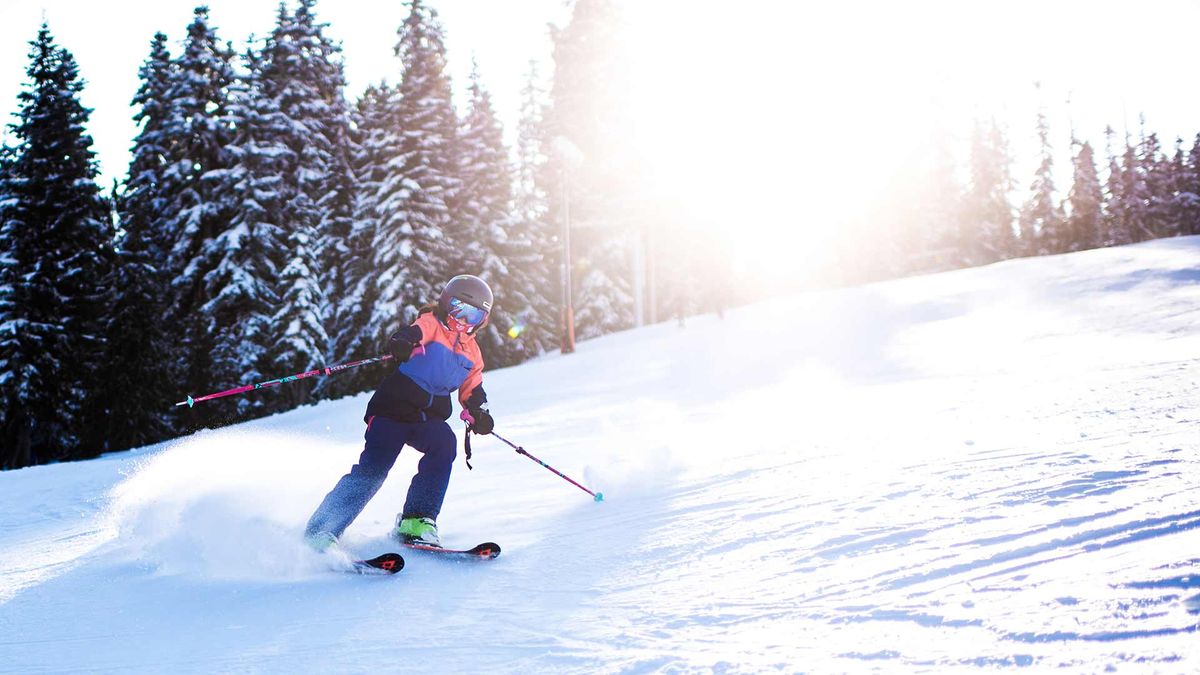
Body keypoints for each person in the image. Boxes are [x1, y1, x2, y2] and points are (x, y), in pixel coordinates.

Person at [304, 275, 495, 550]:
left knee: (444, 443)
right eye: (458, 308)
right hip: (392, 410)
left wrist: (481, 412)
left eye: (473, 315)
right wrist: (403, 341)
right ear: (445, 304)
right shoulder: (432, 324)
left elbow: (472, 389)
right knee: (375, 468)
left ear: (482, 320)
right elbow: (414, 332)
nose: (463, 320)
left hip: (426, 418)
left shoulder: (473, 353)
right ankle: (322, 529)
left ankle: (416, 521)